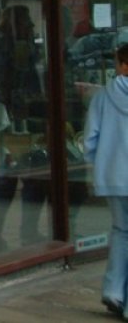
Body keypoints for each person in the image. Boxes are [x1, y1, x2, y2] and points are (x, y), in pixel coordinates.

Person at [0, 5, 48, 250]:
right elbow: (13, 83)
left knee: (12, 177)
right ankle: (21, 232)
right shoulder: (11, 48)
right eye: (27, 20)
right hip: (17, 120)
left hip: (15, 119)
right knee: (26, 177)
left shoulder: (1, 46)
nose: (31, 25)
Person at [83, 43, 128, 317]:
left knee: (121, 232)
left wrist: (101, 163)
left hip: (112, 177)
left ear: (122, 65)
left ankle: (113, 290)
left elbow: (89, 139)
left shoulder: (102, 97)